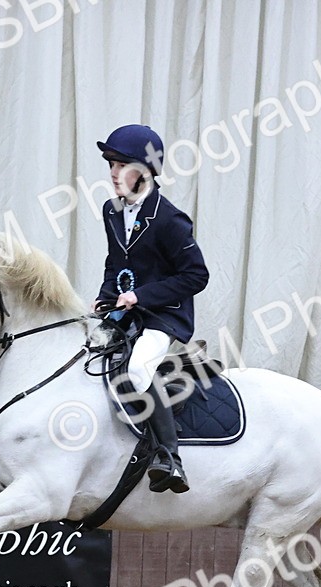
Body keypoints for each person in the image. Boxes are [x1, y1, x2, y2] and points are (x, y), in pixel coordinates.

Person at [90, 124, 209, 493]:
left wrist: (142, 297)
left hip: (163, 316)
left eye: (120, 164)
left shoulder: (170, 220)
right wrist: (105, 294)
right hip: (125, 311)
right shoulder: (113, 212)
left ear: (144, 171)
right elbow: (116, 263)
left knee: (139, 370)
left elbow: (196, 276)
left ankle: (170, 458)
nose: (112, 172)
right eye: (110, 163)